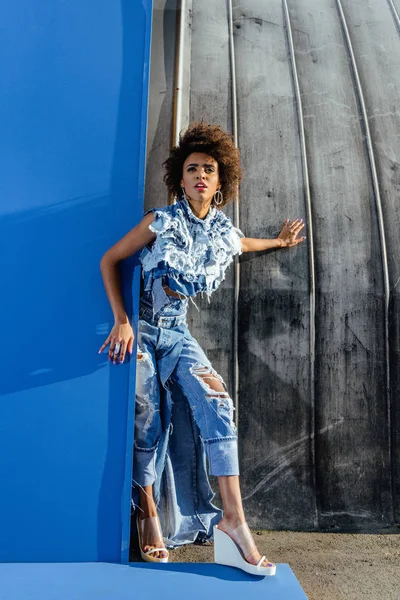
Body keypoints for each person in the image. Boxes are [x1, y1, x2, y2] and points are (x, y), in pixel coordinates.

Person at [99, 122, 305, 575]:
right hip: (144, 333)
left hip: (179, 335)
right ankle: (147, 510)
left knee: (219, 404)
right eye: (192, 169)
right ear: (180, 178)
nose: (200, 176)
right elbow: (110, 259)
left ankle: (233, 520)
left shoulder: (223, 233)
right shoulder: (161, 220)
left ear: (220, 180)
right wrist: (122, 321)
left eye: (208, 169)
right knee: (145, 414)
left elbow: (244, 244)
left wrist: (280, 241)